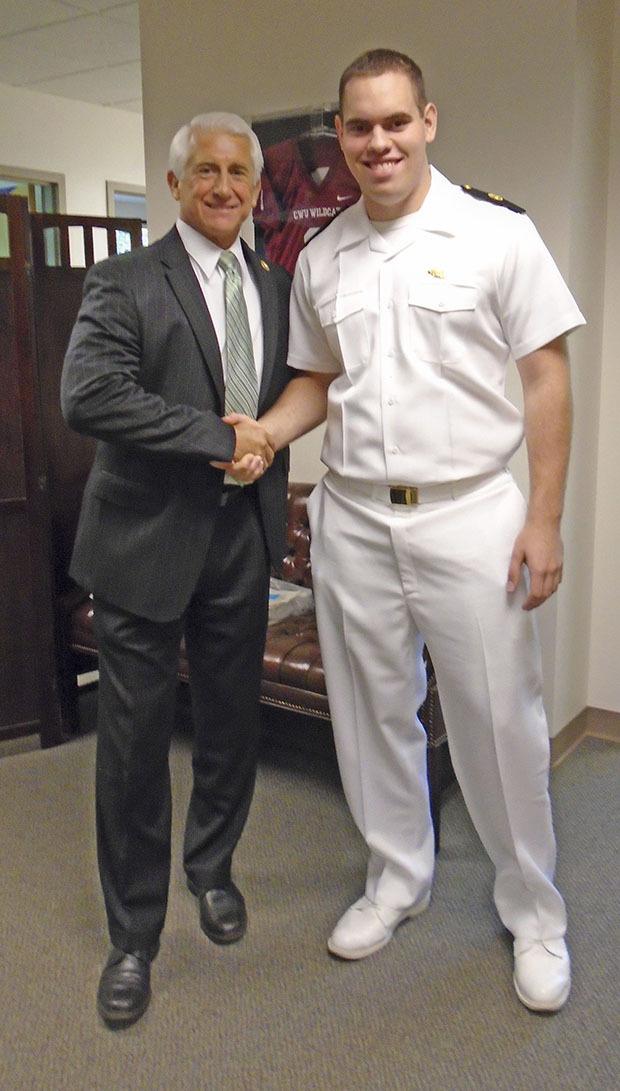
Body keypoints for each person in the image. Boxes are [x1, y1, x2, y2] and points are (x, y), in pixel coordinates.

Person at [248, 48, 585, 1012]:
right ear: (340, 138)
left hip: (472, 513)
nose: (378, 141)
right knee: (370, 712)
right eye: (360, 126)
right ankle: (398, 877)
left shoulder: (497, 236)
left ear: (428, 121)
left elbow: (547, 377)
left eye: (396, 121)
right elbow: (316, 379)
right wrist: (269, 434)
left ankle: (535, 912)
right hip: (352, 516)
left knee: (498, 724)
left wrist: (546, 517)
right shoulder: (322, 255)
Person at [61, 112, 292, 1027]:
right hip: (142, 543)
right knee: (132, 746)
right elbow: (90, 393)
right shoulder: (122, 281)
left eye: (239, 171)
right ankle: (134, 936)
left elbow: (286, 396)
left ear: (257, 183)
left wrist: (263, 440)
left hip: (241, 540)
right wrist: (218, 439)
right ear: (176, 183)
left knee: (232, 723)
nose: (225, 186)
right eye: (207, 170)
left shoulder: (274, 285)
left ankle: (213, 868)